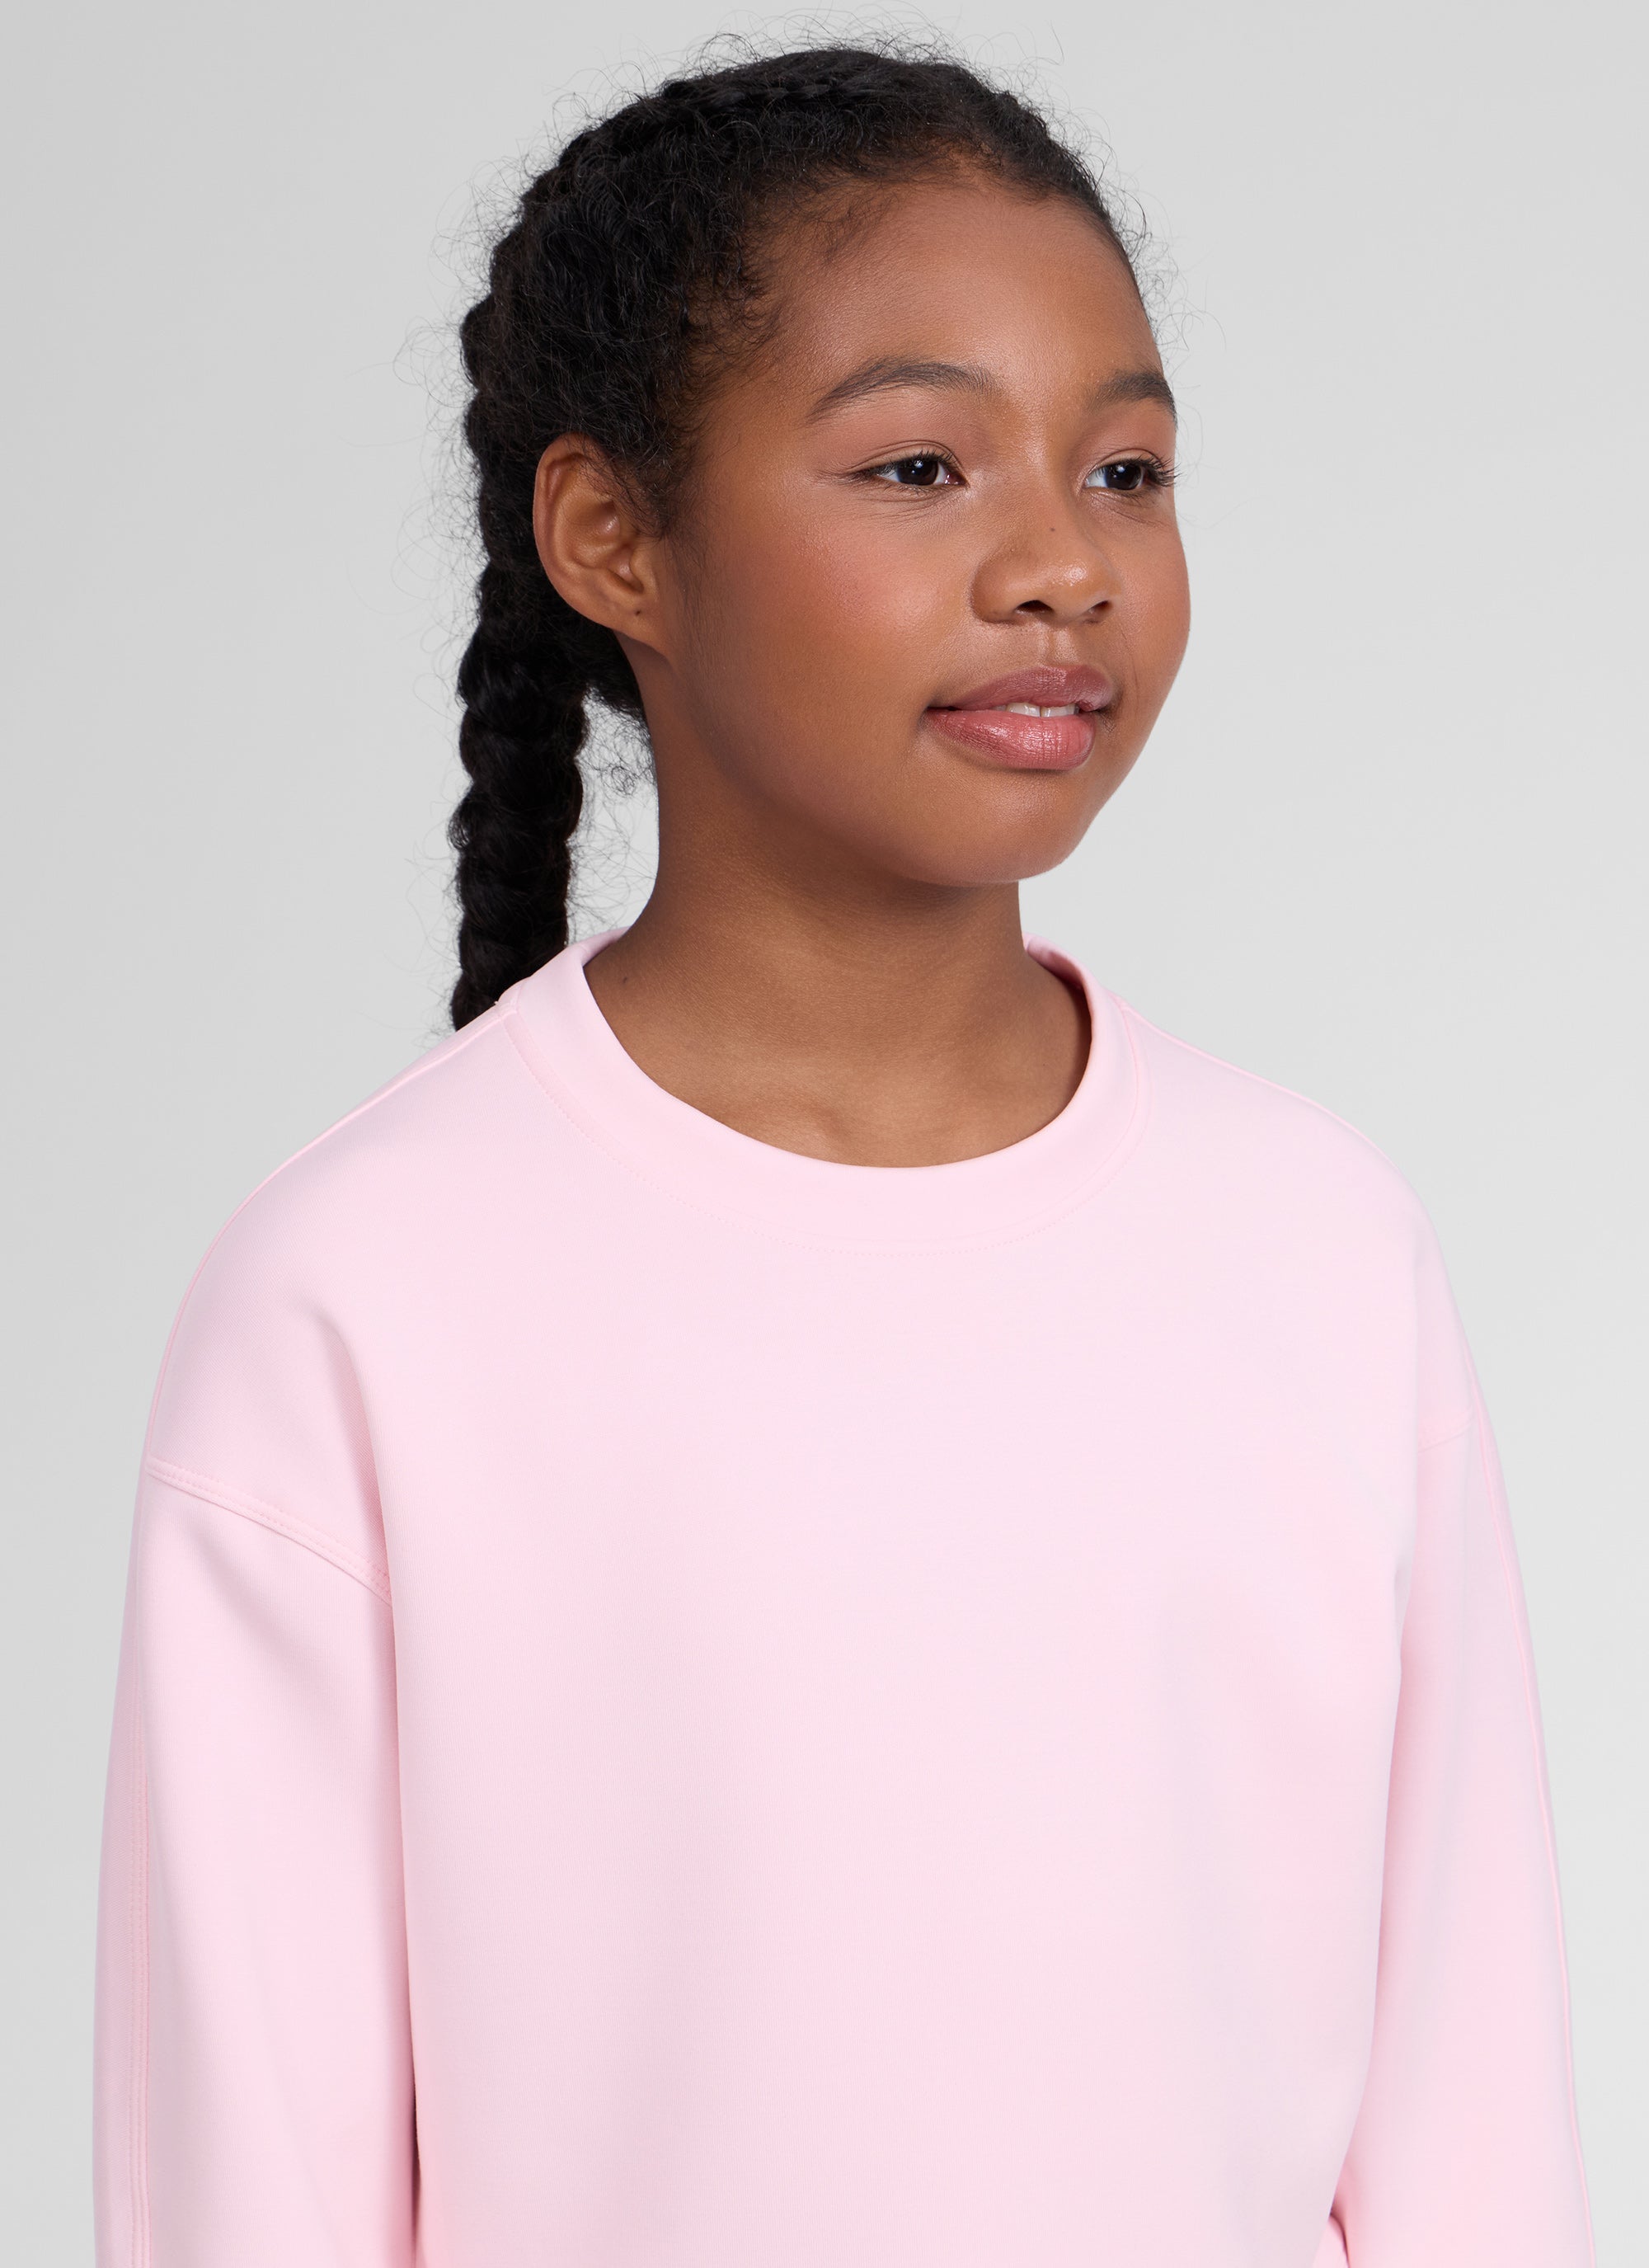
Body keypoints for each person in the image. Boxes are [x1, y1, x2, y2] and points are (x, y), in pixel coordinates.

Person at [91, 38, 1596, 2268]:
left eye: (1128, 469)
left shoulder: (1319, 1250)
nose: (1063, 564)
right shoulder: (362, 1300)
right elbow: (252, 2193)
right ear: (614, 538)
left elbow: (1473, 2143)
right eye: (917, 465)